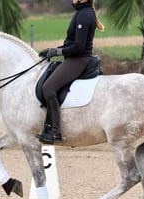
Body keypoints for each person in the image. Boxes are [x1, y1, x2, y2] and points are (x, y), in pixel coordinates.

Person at [36, 0, 104, 144]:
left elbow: (79, 47)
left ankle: (54, 131)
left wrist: (58, 51)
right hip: (73, 58)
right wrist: (53, 50)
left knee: (48, 88)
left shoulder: (84, 15)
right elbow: (70, 43)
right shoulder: (81, 12)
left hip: (79, 59)